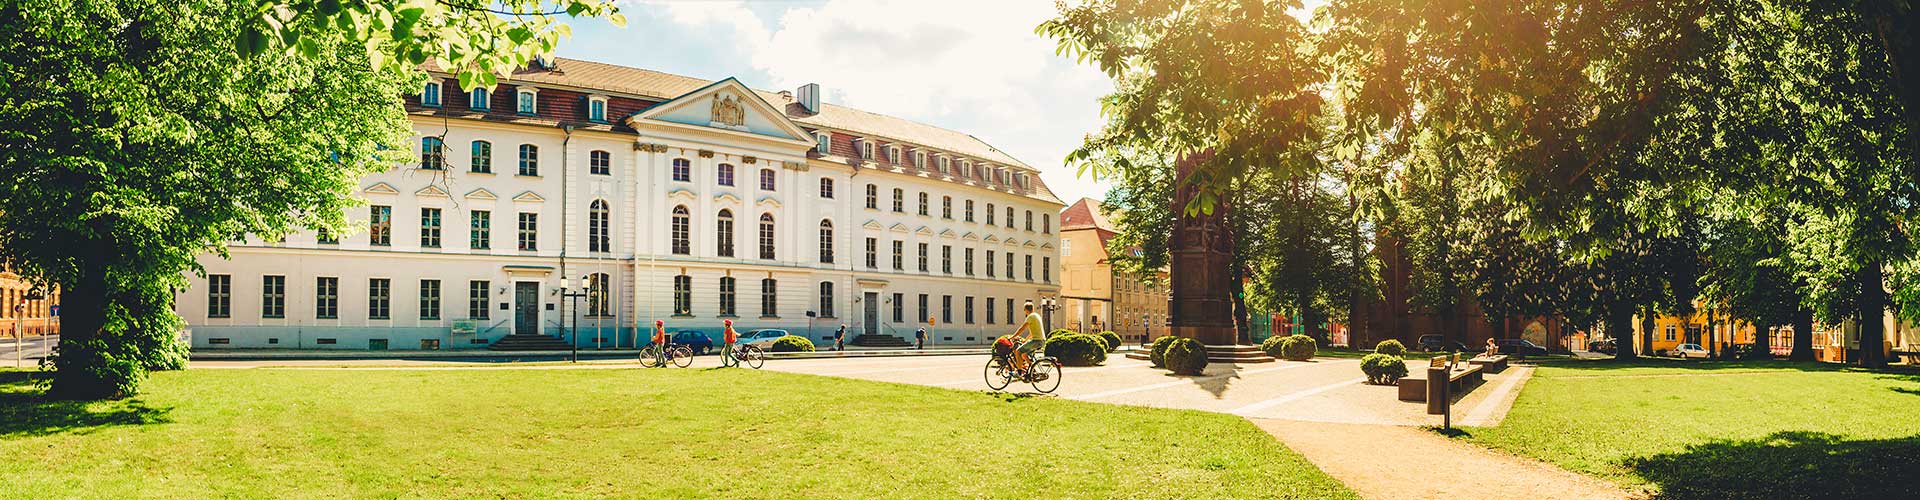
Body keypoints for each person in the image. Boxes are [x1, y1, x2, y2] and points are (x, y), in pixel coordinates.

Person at [1009, 301, 1046, 372]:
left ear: (1026, 310)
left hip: (1036, 341)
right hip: (1041, 341)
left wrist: (1013, 337)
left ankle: (1019, 372)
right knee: (1024, 355)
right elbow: (1032, 333)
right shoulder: (1036, 315)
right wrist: (1025, 340)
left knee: (1018, 351)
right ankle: (1032, 369)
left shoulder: (1030, 317)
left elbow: (1022, 328)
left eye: (1024, 310)